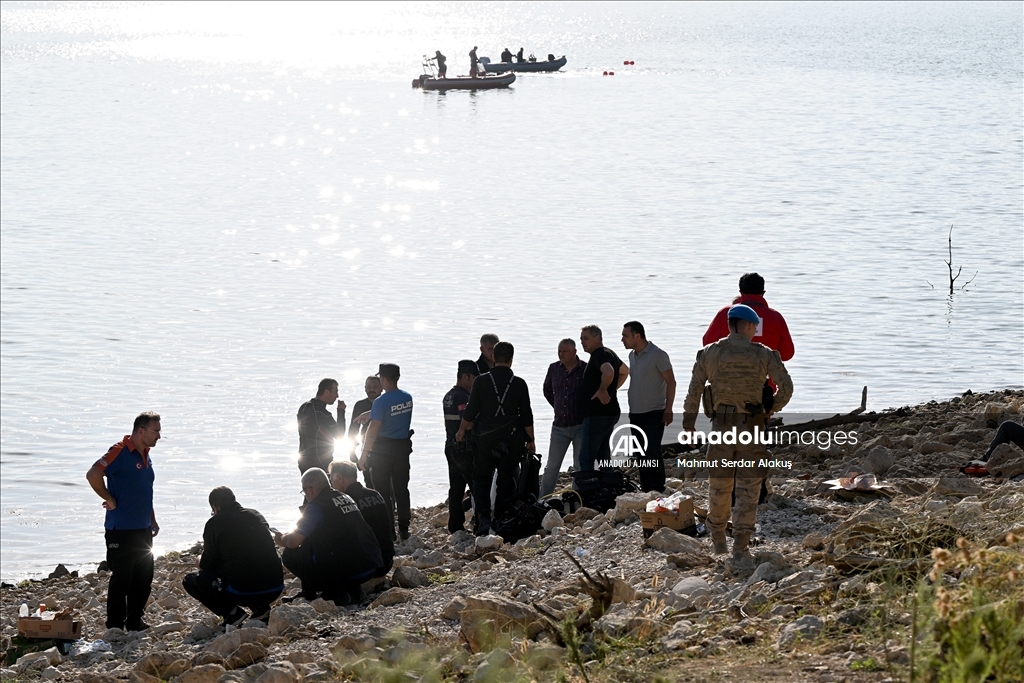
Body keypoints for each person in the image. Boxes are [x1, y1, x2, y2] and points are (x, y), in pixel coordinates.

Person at [682, 304, 793, 559]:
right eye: (754, 327)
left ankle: (719, 540)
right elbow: (786, 388)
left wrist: (688, 425)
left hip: (721, 428)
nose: (755, 331)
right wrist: (770, 409)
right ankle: (741, 545)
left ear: (730, 325)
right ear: (747, 326)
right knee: (748, 487)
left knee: (720, 486)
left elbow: (694, 391)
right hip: (751, 429)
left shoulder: (710, 353)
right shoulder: (764, 354)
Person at [86, 412, 162, 632]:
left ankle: (135, 620)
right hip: (121, 529)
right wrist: (108, 498)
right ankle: (115, 626)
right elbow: (93, 474)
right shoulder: (119, 451)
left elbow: (144, 490)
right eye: (156, 431)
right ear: (141, 431)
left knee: (144, 577)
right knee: (123, 578)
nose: (159, 436)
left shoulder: (146, 454)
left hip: (143, 528)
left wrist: (152, 518)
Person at [457, 341, 536, 536]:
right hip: (511, 440)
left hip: (484, 439)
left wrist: (460, 432)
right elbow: (527, 415)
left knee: (481, 479)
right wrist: (531, 440)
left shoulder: (481, 381)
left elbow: (470, 410)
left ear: (493, 357)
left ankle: (483, 520)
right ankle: (501, 517)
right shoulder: (519, 383)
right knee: (506, 478)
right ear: (511, 359)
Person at [274, 468, 383, 605]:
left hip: (353, 568)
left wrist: (281, 538)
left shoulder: (317, 506)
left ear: (310, 489)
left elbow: (293, 541)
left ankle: (333, 592)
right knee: (323, 545)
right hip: (370, 564)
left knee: (291, 555)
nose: (305, 495)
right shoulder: (345, 497)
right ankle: (353, 590)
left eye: (304, 491)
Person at [182, 487, 284, 628]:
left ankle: (232, 613)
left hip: (242, 592)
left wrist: (199, 559)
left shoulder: (214, 523)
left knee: (193, 580)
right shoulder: (256, 515)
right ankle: (260, 609)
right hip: (275, 587)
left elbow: (207, 564)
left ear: (215, 507)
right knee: (247, 564)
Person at [703, 273, 794, 411]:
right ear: (763, 293)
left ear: (741, 292)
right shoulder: (775, 317)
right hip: (762, 392)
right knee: (757, 428)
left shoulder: (726, 314)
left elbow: (707, 344)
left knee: (725, 427)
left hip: (726, 388)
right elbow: (787, 354)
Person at [358, 363, 414, 540]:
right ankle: (404, 527)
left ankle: (389, 530)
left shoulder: (381, 402)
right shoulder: (407, 398)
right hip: (402, 449)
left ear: (382, 379)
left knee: (382, 492)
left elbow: (372, 430)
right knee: (401, 489)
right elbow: (392, 408)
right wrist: (371, 411)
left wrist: (363, 455)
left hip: (381, 452)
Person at [621, 321, 676, 493]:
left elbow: (671, 382)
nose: (622, 339)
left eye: (625, 336)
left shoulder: (658, 354)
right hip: (635, 413)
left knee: (652, 450)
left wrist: (669, 409)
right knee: (640, 453)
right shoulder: (632, 356)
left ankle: (658, 488)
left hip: (654, 412)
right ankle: (646, 489)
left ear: (637, 335)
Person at [328, 461, 394, 576]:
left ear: (339, 478)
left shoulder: (345, 501)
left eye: (331, 480)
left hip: (368, 567)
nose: (332, 485)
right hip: (387, 561)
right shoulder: (375, 494)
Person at [539, 339, 587, 496]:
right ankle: (543, 498)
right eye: (559, 351)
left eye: (565, 351)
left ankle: (577, 498)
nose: (561, 354)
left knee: (579, 466)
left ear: (574, 352)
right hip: (559, 426)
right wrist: (558, 406)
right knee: (552, 466)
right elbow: (546, 390)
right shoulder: (554, 368)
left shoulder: (585, 369)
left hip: (580, 424)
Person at [578, 325, 629, 472]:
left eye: (586, 338)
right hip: (608, 412)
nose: (582, 342)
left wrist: (603, 390)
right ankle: (607, 485)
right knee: (603, 455)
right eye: (581, 339)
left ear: (597, 338)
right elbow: (625, 371)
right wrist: (610, 389)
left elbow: (609, 372)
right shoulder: (609, 353)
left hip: (598, 414)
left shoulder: (600, 354)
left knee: (586, 457)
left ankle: (588, 490)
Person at [442, 360, 479, 533]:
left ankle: (455, 525)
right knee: (475, 484)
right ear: (465, 376)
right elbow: (468, 422)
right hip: (463, 447)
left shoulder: (448, 395)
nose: (474, 383)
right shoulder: (463, 397)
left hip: (450, 446)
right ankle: (480, 521)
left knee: (456, 488)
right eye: (473, 378)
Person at [296, 378, 346, 473]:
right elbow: (340, 435)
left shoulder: (304, 407)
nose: (337, 396)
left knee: (308, 487)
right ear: (326, 392)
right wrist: (341, 411)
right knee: (325, 487)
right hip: (320, 461)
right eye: (335, 392)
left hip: (303, 459)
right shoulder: (321, 413)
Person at [347, 376, 382, 465]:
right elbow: (353, 429)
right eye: (369, 387)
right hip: (367, 446)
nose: (372, 390)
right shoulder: (360, 405)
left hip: (385, 444)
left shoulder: (385, 403)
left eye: (375, 387)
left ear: (382, 388)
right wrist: (352, 450)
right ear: (365, 388)